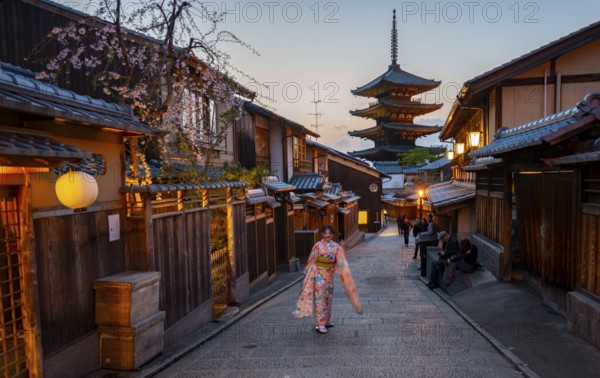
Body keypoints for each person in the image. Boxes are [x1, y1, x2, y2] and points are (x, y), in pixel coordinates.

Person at [293, 225, 362, 334]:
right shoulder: (317, 246)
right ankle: (320, 323)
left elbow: (341, 262)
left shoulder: (336, 247)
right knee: (320, 299)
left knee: (328, 299)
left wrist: (345, 272)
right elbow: (312, 260)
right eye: (325, 233)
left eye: (329, 233)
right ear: (322, 234)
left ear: (333, 235)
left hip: (330, 276)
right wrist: (309, 274)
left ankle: (326, 321)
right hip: (318, 275)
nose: (327, 235)